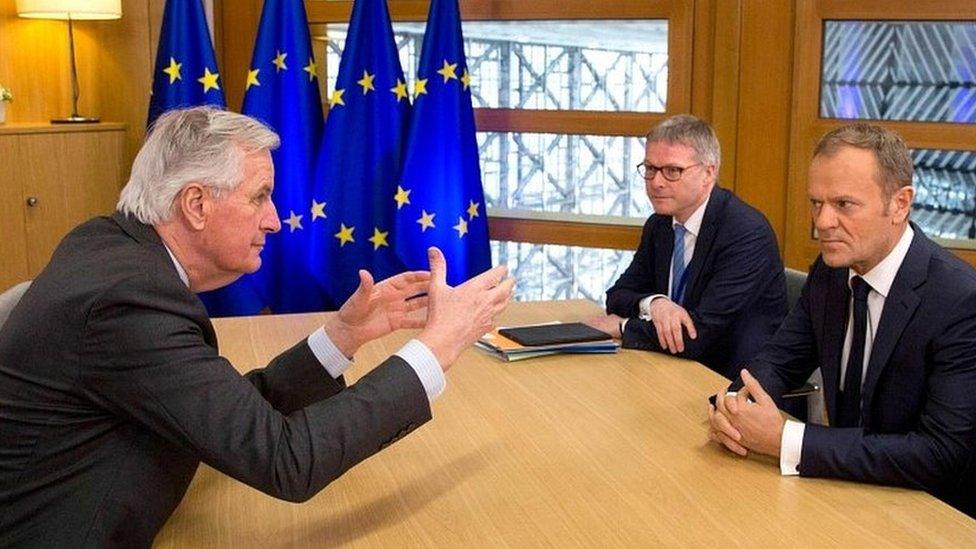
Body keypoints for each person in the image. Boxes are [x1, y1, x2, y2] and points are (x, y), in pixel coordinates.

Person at [0, 106, 515, 546]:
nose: (272, 219)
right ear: (196, 204)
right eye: (259, 197)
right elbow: (286, 460)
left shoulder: (110, 245)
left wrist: (343, 337)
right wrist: (437, 347)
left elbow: (228, 418)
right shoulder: (130, 304)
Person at [707, 123, 976, 517]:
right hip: (843, 491)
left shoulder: (959, 299)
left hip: (929, 512)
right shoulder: (831, 272)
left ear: (900, 204)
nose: (823, 222)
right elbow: (780, 359)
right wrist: (735, 408)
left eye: (844, 205)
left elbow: (941, 454)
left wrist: (785, 440)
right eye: (817, 203)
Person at [587, 115, 787, 379]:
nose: (656, 182)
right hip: (671, 369)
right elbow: (618, 295)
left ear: (708, 173)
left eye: (673, 171)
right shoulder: (660, 224)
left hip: (731, 383)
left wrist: (624, 327)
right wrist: (655, 303)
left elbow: (697, 337)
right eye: (650, 168)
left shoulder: (745, 232)